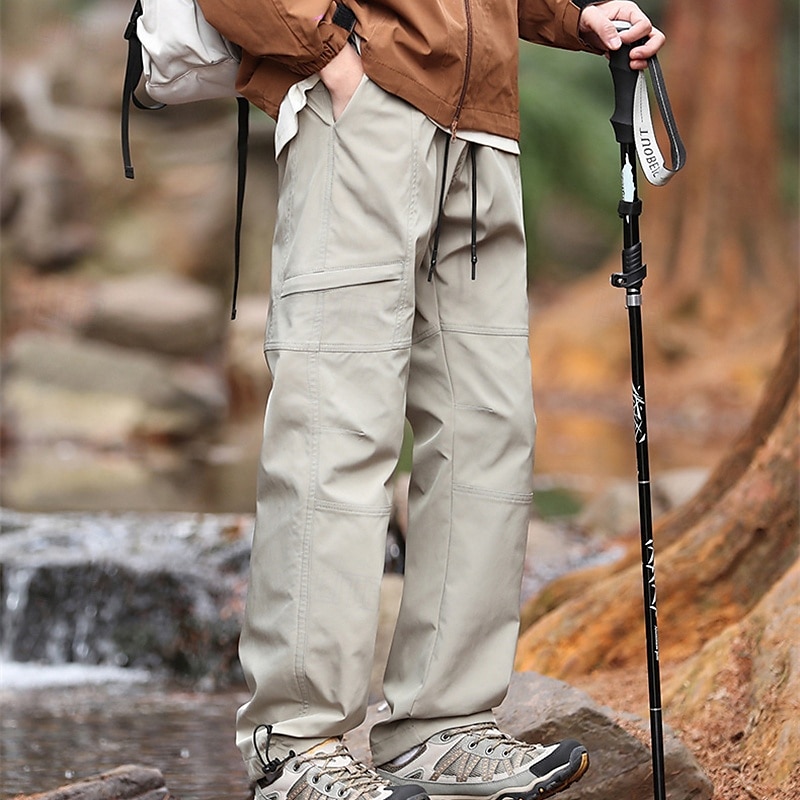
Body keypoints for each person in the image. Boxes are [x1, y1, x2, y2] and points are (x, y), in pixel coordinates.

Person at [196, 1, 665, 798]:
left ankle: (441, 730)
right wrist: (332, 59)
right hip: (366, 105)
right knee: (337, 428)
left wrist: (576, 16)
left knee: (490, 431)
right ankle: (296, 746)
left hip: (482, 128)